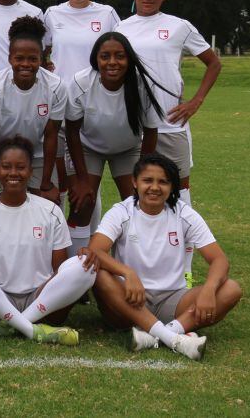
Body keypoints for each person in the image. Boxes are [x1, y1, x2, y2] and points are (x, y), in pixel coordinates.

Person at [88, 154, 241, 360]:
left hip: (173, 300)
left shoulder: (183, 213)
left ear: (172, 186)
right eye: (147, 180)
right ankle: (174, 337)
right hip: (129, 300)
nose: (154, 187)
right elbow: (95, 251)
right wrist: (128, 273)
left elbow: (219, 260)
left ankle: (159, 335)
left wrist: (209, 289)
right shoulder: (122, 211)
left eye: (163, 182)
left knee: (231, 289)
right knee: (98, 273)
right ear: (134, 182)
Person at [0, 136, 95, 345]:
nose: (13, 173)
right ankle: (31, 328)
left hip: (41, 299)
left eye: (21, 167)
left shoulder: (51, 211)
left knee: (87, 266)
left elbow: (59, 270)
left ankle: (11, 325)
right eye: (6, 167)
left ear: (31, 171)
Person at [116, 0, 222, 205]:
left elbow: (214, 63)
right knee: (139, 191)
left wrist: (195, 101)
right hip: (136, 125)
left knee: (180, 190)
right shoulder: (121, 29)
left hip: (170, 122)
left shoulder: (179, 26)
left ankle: (182, 233)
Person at [64, 32, 169, 251]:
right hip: (87, 147)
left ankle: (129, 263)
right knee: (83, 203)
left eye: (120, 56)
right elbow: (72, 132)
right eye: (105, 56)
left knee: (138, 204)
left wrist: (142, 174)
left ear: (129, 59)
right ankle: (75, 265)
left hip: (128, 149)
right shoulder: (81, 82)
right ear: (96, 59)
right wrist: (82, 180)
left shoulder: (142, 85)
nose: (112, 62)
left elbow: (150, 132)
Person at [42, 0, 121, 237]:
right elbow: (41, 50)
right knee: (60, 178)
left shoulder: (107, 14)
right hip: (60, 107)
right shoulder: (52, 14)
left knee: (88, 180)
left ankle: (90, 240)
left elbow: (120, 51)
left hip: (95, 107)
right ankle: (59, 240)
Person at [0, 16, 64, 203]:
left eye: (32, 59)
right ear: (10, 58)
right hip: (0, 156)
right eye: (19, 58)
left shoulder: (56, 86)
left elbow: (51, 136)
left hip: (38, 156)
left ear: (41, 59)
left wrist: (46, 184)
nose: (25, 64)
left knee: (48, 206)